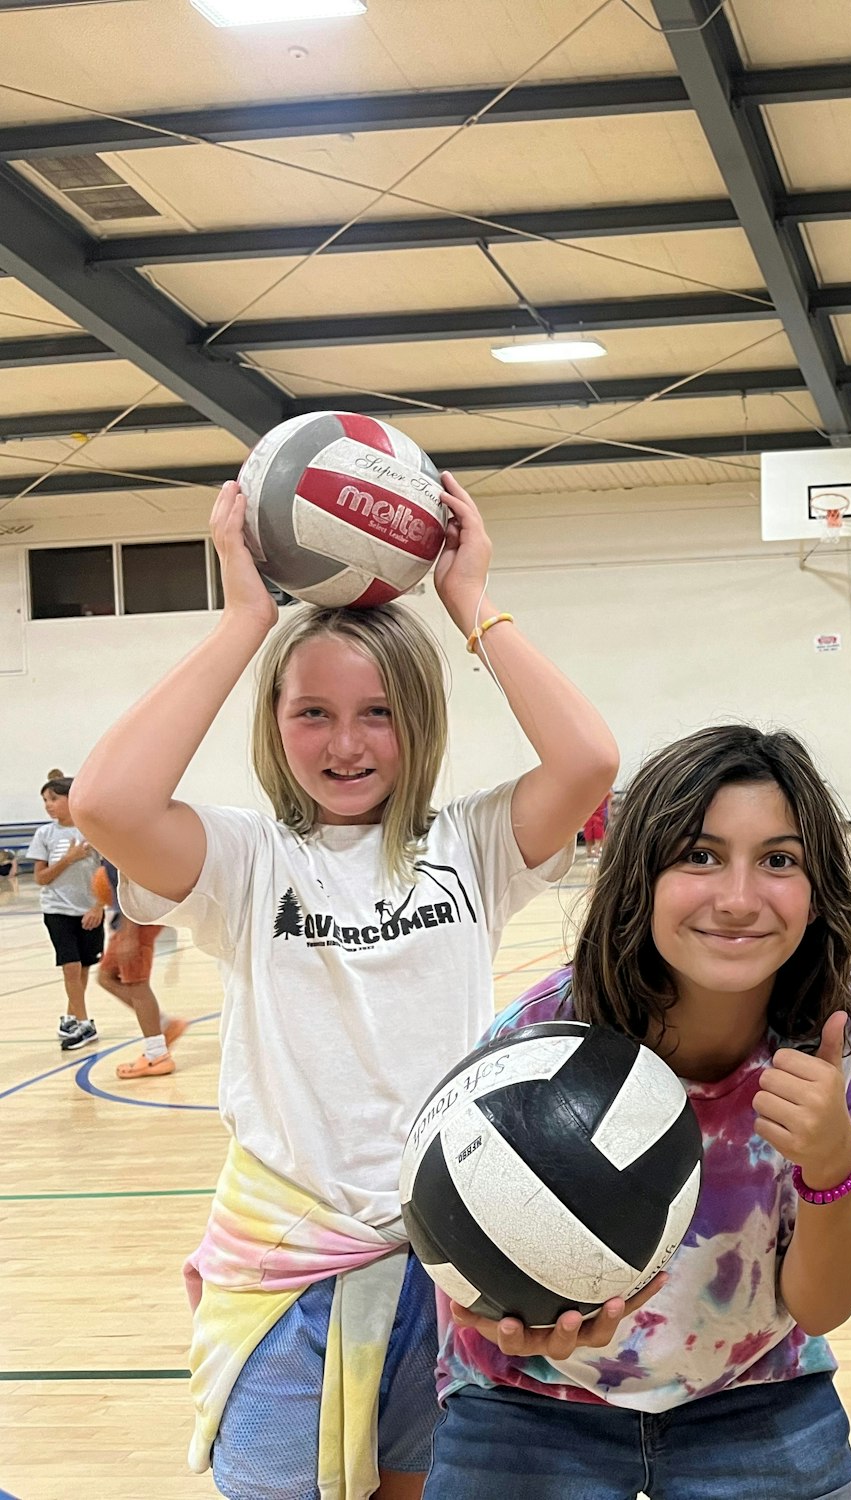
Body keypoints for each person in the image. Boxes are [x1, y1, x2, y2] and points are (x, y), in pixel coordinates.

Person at [71, 474, 618, 1500]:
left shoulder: (469, 847)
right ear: (272, 721)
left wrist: (470, 599)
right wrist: (246, 621)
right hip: (286, 1267)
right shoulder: (246, 861)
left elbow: (587, 757)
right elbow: (107, 799)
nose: (346, 743)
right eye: (311, 711)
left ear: (418, 723)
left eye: (377, 713)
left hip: (447, 1255)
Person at [427, 725, 851, 1500]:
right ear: (640, 876)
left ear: (817, 895)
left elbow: (823, 1305)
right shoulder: (545, 1037)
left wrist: (829, 1165)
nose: (739, 899)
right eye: (700, 855)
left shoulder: (839, 1032)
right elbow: (457, 1254)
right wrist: (515, 1314)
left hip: (756, 1393)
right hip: (529, 1405)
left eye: (778, 860)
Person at [91, 859, 189, 1080]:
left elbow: (132, 883)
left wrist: (130, 933)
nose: (54, 820)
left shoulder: (113, 836)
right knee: (106, 977)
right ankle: (164, 1025)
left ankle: (158, 1054)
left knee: (135, 982)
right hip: (130, 918)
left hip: (137, 919)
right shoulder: (103, 837)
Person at [29, 775, 104, 1049]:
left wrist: (98, 907)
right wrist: (67, 860)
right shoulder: (44, 835)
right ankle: (84, 1024)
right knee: (70, 967)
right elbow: (41, 878)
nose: (48, 805)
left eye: (54, 799)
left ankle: (71, 1016)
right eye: (45, 801)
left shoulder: (93, 832)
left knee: (83, 967)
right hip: (57, 909)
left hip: (90, 912)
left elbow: (108, 873)